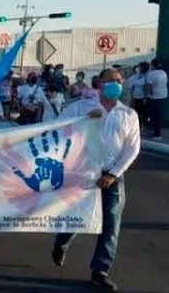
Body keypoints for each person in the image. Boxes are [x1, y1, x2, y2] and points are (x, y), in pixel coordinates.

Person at [51, 68, 140, 292]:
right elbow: (59, 127)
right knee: (79, 216)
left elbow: (132, 148)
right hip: (84, 173)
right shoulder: (81, 108)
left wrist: (113, 174)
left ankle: (100, 270)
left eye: (120, 81)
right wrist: (82, 121)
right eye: (112, 81)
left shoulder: (128, 114)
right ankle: (62, 243)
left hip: (113, 176)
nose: (117, 84)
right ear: (99, 84)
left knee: (110, 223)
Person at [146, 59, 167, 140]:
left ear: (153, 65)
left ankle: (157, 134)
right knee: (157, 115)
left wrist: (146, 96)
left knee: (153, 116)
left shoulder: (152, 74)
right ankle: (155, 132)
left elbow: (148, 87)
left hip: (154, 98)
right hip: (163, 97)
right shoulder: (164, 73)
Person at [127, 63, 149, 128]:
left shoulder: (147, 76)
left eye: (139, 67)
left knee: (143, 112)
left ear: (143, 68)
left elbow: (147, 87)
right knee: (137, 112)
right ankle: (139, 125)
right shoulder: (137, 75)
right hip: (135, 97)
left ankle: (146, 125)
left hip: (142, 97)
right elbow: (131, 84)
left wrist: (145, 97)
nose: (138, 68)